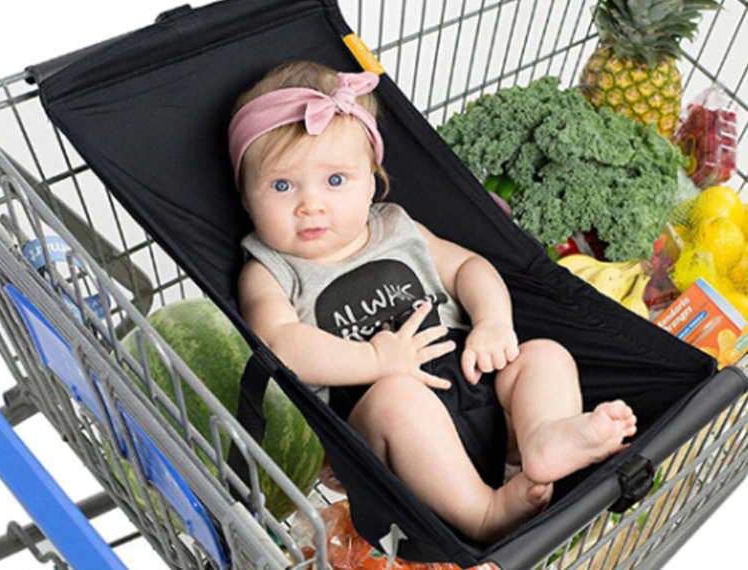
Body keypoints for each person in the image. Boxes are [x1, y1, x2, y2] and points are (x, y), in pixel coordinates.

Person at [229, 61, 637, 544]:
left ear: (373, 179)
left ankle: (542, 437)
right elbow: (281, 343)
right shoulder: (269, 270)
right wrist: (377, 359)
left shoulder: (396, 228)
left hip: (472, 377)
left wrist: (491, 322)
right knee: (396, 400)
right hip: (382, 419)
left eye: (335, 180)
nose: (310, 204)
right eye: (282, 186)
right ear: (246, 199)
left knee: (545, 355)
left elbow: (470, 269)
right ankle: (483, 512)